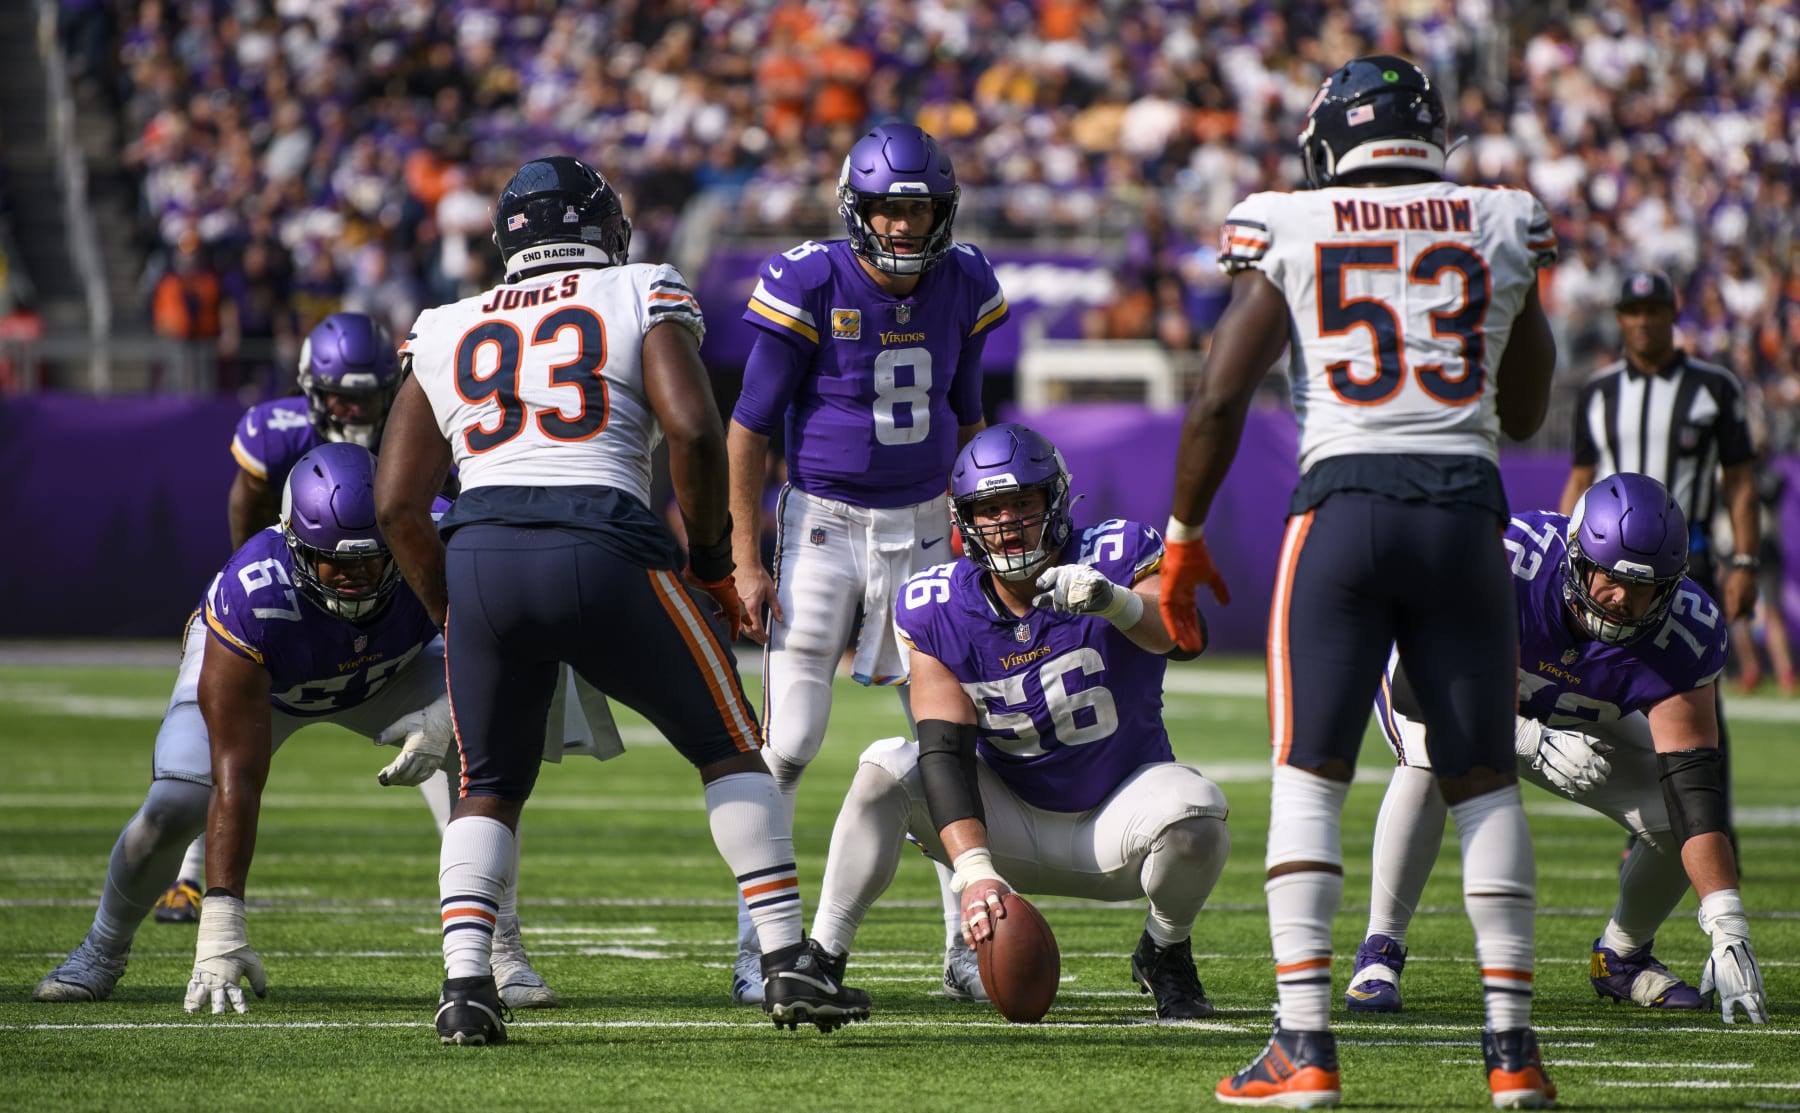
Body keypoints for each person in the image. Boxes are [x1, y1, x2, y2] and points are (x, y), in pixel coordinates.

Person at [374, 155, 868, 1044]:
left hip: (481, 547)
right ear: (606, 228)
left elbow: (397, 502)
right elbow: (692, 426)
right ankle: (789, 961)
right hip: (602, 535)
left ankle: (464, 986)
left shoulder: (445, 321)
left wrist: (455, 605)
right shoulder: (640, 287)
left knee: (488, 783)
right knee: (728, 745)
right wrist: (714, 560)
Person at [1160, 56, 1561, 1108]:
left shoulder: (1288, 221)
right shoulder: (1500, 214)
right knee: (1481, 777)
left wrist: (1183, 533)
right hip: (1466, 513)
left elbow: (1215, 399)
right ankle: (1513, 1051)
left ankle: (1304, 1043)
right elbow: (1523, 413)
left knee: (1311, 775)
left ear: (1331, 143)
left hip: (1341, 507)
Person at [32, 444, 554, 1012]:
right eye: (337, 562)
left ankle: (499, 949)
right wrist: (223, 918)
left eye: (370, 560)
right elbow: (239, 774)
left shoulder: (434, 543)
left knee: (484, 748)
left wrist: (448, 711)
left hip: (387, 671)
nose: (355, 577)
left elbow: (520, 638)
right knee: (177, 798)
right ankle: (102, 949)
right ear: (297, 546)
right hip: (272, 681)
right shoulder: (253, 596)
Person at [806, 424, 1231, 1020]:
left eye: (1022, 503)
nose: (1006, 522)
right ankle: (822, 962)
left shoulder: (1115, 553)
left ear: (1054, 500)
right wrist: (975, 871)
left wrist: (1115, 602)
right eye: (989, 509)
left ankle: (1165, 950)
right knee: (884, 767)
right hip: (1006, 828)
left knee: (1197, 813)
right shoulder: (938, 606)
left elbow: (1186, 638)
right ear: (963, 520)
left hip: (1117, 818)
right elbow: (944, 750)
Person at [725, 122, 1010, 1004]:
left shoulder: (963, 280)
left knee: (946, 740)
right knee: (789, 742)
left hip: (927, 524)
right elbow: (749, 425)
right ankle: (764, 945)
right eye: (889, 208)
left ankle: (968, 945)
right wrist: (743, 552)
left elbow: (967, 417)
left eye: (918, 208)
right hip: (823, 524)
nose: (902, 226)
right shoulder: (808, 276)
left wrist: (974, 539)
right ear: (858, 208)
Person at [1344, 474, 1768, 1027]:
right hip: (1450, 692)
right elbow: (1417, 690)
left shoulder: (1685, 630)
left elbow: (1693, 784)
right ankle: (1381, 951)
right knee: (1429, 758)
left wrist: (1727, 922)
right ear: (1576, 560)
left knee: (1675, 817)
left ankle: (1621, 956)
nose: (1624, 602)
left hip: (1577, 709)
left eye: (1645, 589)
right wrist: (1528, 737)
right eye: (1610, 580)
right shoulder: (1503, 563)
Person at [149, 311, 413, 927]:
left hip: (383, 602)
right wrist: (249, 592)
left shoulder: (412, 432)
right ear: (312, 391)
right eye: (342, 400)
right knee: (219, 751)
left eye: (368, 397)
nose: (355, 413)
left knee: (448, 746)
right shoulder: (278, 429)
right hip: (291, 593)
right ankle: (190, 877)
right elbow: (246, 509)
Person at [1559, 270, 1760, 845]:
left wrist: (1744, 561)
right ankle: (1645, 828)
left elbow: (1740, 482)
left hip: (1688, 564)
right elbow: (1579, 479)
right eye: (1632, 310)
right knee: (1613, 695)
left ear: (1672, 315)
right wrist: (1559, 555)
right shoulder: (1597, 391)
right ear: (1619, 318)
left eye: (1653, 310)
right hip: (1605, 568)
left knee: (1694, 700)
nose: (1643, 321)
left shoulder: (1714, 387)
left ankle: (1707, 830)